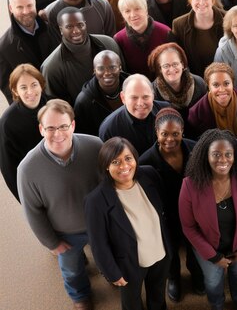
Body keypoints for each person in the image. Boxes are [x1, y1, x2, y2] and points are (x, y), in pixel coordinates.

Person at [17, 99, 103, 309]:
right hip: (65, 234)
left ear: (72, 125)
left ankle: (109, 274)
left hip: (98, 223)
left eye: (63, 126)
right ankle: (80, 296)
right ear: (40, 129)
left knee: (106, 256)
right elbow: (32, 212)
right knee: (72, 270)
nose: (58, 134)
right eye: (50, 128)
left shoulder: (95, 146)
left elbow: (108, 186)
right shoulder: (27, 169)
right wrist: (51, 243)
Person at [179, 128, 237, 310]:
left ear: (235, 156)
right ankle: (216, 304)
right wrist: (214, 257)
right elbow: (189, 227)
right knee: (213, 280)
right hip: (208, 247)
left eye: (228, 154)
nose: (223, 160)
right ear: (205, 156)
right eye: (216, 154)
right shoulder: (190, 185)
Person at [85, 137, 170, 310]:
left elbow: (163, 212)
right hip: (129, 264)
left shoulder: (149, 175)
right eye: (115, 161)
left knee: (158, 295)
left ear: (135, 159)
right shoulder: (96, 200)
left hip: (160, 254)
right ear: (106, 165)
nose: (124, 166)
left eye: (128, 158)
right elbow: (98, 244)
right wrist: (112, 273)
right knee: (132, 303)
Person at [138, 108, 204, 301]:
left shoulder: (196, 149)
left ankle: (196, 273)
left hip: (194, 213)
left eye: (175, 134)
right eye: (164, 134)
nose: (170, 139)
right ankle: (174, 277)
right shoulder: (145, 161)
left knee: (195, 247)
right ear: (156, 133)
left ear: (182, 130)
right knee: (170, 251)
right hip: (165, 217)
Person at [41, 7, 122, 104]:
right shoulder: (51, 67)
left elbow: (124, 77)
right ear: (61, 30)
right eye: (69, 27)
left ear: (85, 25)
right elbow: (56, 106)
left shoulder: (109, 44)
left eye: (80, 25)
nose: (76, 31)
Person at [0, 0, 60, 102]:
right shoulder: (4, 48)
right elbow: (10, 90)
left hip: (64, 99)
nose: (26, 11)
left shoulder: (54, 27)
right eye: (20, 7)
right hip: (34, 109)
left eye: (29, 5)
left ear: (35, 3)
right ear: (11, 8)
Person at [0, 64, 46, 202]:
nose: (30, 92)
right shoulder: (7, 123)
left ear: (41, 85)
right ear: (15, 91)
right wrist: (28, 204)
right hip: (37, 188)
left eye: (34, 85)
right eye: (23, 87)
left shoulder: (54, 105)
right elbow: (9, 171)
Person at [99, 74, 169, 155]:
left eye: (145, 97)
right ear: (123, 98)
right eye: (134, 98)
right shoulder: (109, 129)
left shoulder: (167, 111)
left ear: (153, 95)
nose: (140, 103)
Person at [170, 0, 226, 76]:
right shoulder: (179, 25)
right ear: (190, 0)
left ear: (213, 0)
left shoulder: (227, 19)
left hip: (224, 75)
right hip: (195, 78)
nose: (201, 2)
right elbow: (179, 58)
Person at [187, 62, 237, 139]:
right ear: (208, 86)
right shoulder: (195, 114)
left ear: (232, 83)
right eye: (216, 85)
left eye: (226, 83)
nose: (222, 90)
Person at [147, 42, 207, 126]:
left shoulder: (199, 83)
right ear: (160, 69)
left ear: (182, 64)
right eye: (166, 66)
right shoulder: (153, 92)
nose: (171, 69)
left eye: (175, 64)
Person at [114, 0, 170, 79]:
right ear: (122, 15)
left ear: (146, 9)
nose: (133, 15)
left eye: (137, 9)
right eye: (127, 11)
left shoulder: (165, 32)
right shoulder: (118, 39)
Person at [74, 50, 127, 136]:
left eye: (112, 67)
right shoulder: (84, 101)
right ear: (94, 71)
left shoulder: (133, 86)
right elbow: (83, 135)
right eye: (101, 68)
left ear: (120, 68)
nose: (107, 73)